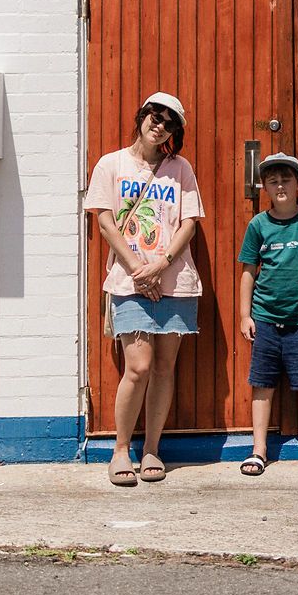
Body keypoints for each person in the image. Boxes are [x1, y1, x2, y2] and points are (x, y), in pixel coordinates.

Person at [85, 92, 204, 487]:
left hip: (175, 281)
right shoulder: (111, 164)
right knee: (137, 367)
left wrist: (161, 264)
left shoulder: (179, 168)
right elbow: (104, 221)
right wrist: (139, 269)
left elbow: (189, 222)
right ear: (142, 116)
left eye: (170, 122)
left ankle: (152, 447)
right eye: (156, 116)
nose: (160, 125)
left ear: (175, 132)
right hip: (130, 281)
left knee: (165, 367)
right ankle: (121, 450)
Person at [238, 153, 298, 477]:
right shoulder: (258, 225)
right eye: (273, 181)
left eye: (286, 180)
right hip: (265, 317)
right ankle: (258, 451)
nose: (280, 186)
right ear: (264, 186)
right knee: (262, 385)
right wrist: (244, 315)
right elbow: (248, 273)